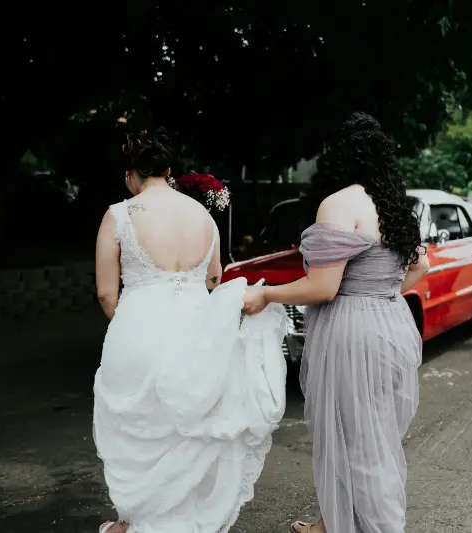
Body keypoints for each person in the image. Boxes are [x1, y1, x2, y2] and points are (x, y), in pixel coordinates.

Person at [92, 128, 288, 533]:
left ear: (132, 174)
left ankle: (138, 519)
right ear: (168, 169)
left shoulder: (119, 215)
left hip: (137, 332)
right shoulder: (204, 217)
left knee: (138, 432)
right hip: (199, 334)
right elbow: (214, 278)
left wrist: (133, 321)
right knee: (186, 434)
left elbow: (106, 295)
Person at [243, 112, 430, 533]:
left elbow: (323, 287)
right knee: (372, 432)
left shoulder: (339, 202)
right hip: (391, 322)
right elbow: (420, 266)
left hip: (352, 330)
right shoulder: (395, 204)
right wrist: (380, 295)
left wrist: (267, 293)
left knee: (357, 441)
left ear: (338, 157)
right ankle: (334, 523)